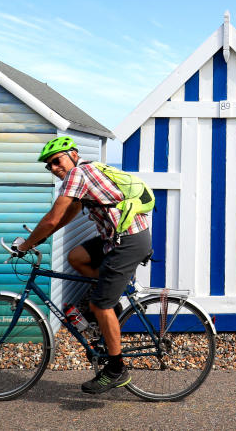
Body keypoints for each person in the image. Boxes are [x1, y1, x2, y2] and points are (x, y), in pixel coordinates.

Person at [16, 136, 152, 395]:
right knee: (76, 256)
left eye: (57, 160)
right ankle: (110, 298)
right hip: (116, 237)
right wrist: (43, 237)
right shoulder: (86, 171)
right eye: (49, 165)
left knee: (99, 304)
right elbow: (72, 212)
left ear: (73, 154)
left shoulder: (77, 174)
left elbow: (53, 216)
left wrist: (26, 245)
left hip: (128, 241)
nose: (54, 167)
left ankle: (116, 369)